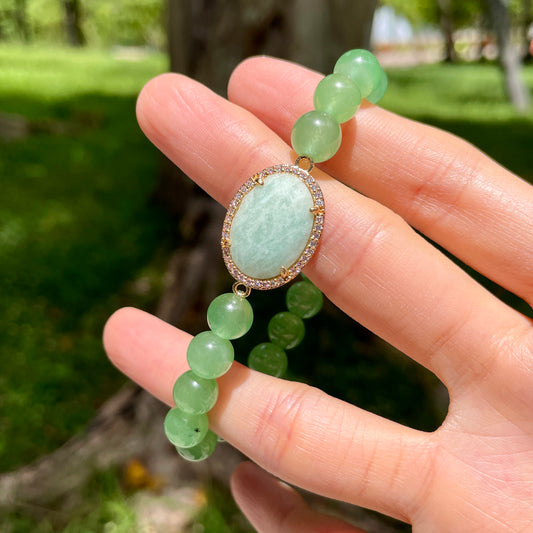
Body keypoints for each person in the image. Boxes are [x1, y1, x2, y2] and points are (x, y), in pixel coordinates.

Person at [103, 56, 533, 531]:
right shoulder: (288, 192)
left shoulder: (289, 190)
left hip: (273, 233)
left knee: (259, 324)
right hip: (270, 236)